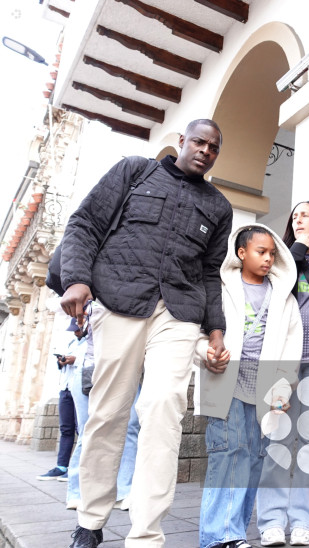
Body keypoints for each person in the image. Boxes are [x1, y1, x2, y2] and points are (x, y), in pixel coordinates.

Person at [59, 119, 233, 548]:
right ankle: (91, 519)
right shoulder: (135, 171)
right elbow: (85, 224)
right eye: (198, 142)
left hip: (178, 313)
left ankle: (146, 534)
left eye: (213, 147)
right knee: (108, 413)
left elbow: (210, 274)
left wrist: (215, 329)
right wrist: (76, 279)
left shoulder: (218, 206)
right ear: (181, 142)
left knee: (163, 410)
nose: (205, 151)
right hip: (120, 302)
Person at [195, 223, 302, 548]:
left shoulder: (283, 298)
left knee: (254, 458)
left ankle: (234, 533)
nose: (268, 258)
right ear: (241, 253)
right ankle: (219, 536)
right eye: (260, 251)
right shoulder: (219, 288)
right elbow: (197, 331)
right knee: (228, 454)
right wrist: (205, 352)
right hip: (225, 382)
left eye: (272, 253)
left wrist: (283, 389)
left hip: (265, 391)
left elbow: (291, 347)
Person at [256, 202, 309, 547]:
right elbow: (277, 290)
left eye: (306, 214)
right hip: (285, 365)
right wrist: (299, 248)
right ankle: (272, 520)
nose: (298, 219)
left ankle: (304, 520)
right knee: (278, 441)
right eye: (294, 216)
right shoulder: (286, 261)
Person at [65, 320, 141, 511]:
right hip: (90, 367)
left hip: (126, 368)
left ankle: (123, 492)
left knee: (130, 428)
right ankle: (76, 493)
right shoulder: (90, 295)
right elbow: (77, 326)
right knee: (88, 431)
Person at [36, 318, 87, 481]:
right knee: (66, 428)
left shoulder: (90, 343)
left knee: (82, 428)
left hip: (81, 389)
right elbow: (62, 362)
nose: (75, 332)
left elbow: (94, 362)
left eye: (77, 329)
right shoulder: (71, 342)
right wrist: (62, 360)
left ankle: (79, 468)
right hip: (65, 389)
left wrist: (75, 360)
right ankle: (61, 466)